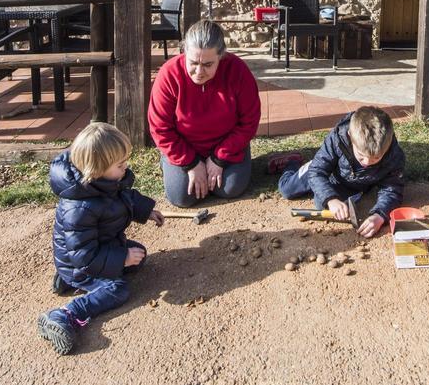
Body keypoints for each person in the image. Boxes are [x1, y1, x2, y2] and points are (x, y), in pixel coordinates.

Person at [39, 123, 164, 356]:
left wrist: (145, 211)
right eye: (120, 164)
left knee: (139, 255)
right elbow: (84, 256)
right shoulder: (79, 208)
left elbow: (125, 197)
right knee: (118, 289)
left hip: (99, 247)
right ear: (96, 169)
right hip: (82, 263)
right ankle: (67, 313)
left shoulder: (106, 183)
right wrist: (121, 258)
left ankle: (70, 282)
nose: (126, 168)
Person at [147, 19, 262, 208]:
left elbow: (249, 121)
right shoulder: (169, 74)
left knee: (230, 189)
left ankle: (229, 162)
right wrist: (191, 163)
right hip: (185, 145)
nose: (199, 72)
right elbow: (160, 127)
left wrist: (219, 158)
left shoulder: (238, 70)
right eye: (193, 63)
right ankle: (170, 162)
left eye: (208, 64)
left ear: (221, 56)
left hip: (225, 144)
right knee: (182, 197)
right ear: (184, 52)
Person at [274, 106, 406, 239]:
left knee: (321, 204)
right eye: (361, 156)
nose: (366, 162)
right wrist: (331, 199)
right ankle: (292, 161)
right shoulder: (338, 138)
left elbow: (393, 189)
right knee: (287, 189)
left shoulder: (395, 155)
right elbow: (317, 172)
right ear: (350, 137)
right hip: (329, 171)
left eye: (376, 158)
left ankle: (346, 189)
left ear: (387, 146)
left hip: (355, 180)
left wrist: (380, 216)